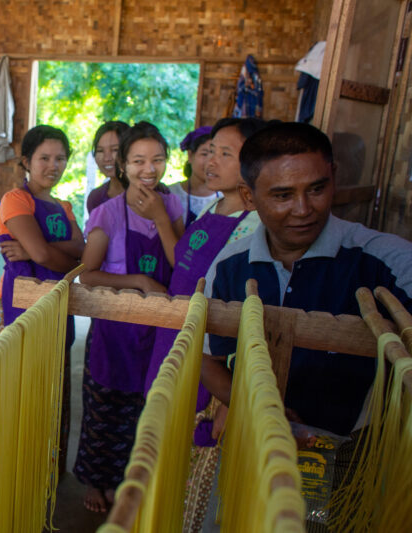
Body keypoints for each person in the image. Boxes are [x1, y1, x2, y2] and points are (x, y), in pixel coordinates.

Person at [202, 121, 412, 438]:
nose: (303, 210)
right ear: (249, 196)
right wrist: (250, 405)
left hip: (355, 453)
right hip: (256, 442)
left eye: (316, 189)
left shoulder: (387, 260)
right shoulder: (230, 264)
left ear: (334, 177)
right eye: (283, 195)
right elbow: (207, 360)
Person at [140, 117, 266, 531]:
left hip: (207, 362)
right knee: (160, 443)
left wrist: (229, 398)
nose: (210, 160)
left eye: (225, 154)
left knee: (193, 467)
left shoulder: (255, 226)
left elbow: (242, 316)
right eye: (210, 150)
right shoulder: (215, 207)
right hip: (173, 343)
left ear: (253, 164)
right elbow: (185, 266)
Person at [73, 121, 184, 513]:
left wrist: (158, 217)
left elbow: (180, 266)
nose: (148, 169)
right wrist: (138, 280)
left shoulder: (173, 205)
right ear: (123, 164)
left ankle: (136, 483)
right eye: (138, 160)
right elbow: (87, 275)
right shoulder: (106, 213)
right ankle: (98, 482)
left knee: (148, 408)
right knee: (106, 408)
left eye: (157, 159)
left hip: (158, 332)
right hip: (115, 334)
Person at [0, 125, 84, 474]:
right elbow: (52, 257)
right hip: (21, 307)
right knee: (23, 389)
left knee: (55, 391)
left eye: (60, 158)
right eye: (44, 158)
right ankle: (19, 470)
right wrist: (54, 253)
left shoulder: (65, 206)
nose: (53, 165)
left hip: (61, 305)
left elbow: (83, 258)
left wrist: (42, 251)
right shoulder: (16, 200)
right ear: (26, 161)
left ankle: (50, 473)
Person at [167, 126, 219, 225]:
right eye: (204, 154)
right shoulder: (170, 194)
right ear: (190, 155)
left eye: (216, 154)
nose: (210, 162)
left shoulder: (224, 198)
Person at [85, 121, 130, 215]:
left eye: (115, 150)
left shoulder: (152, 192)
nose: (107, 158)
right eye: (100, 151)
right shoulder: (96, 198)